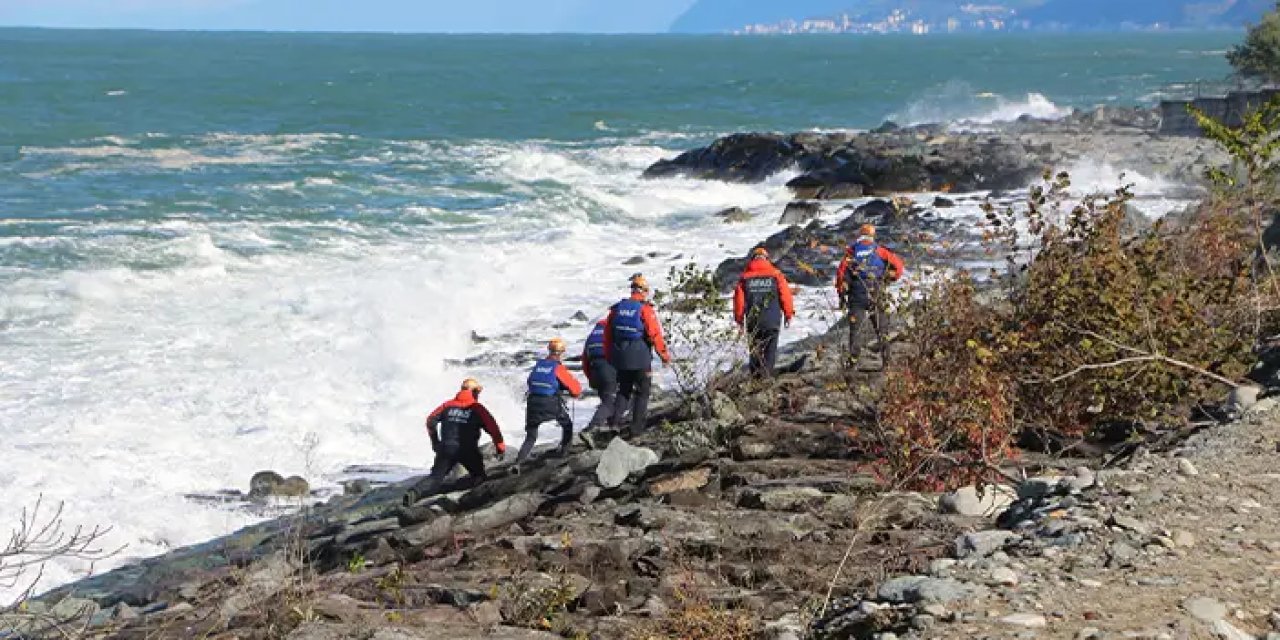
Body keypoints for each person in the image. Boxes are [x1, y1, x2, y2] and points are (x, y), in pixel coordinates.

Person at [411, 378, 505, 500]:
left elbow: (430, 421)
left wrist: (435, 441)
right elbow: (493, 429)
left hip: (446, 448)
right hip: (468, 450)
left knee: (435, 477)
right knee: (479, 476)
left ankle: (414, 493)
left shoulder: (447, 405)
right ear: (474, 392)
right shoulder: (478, 408)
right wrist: (500, 448)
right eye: (478, 392)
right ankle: (475, 501)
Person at [604, 274, 671, 437]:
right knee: (643, 391)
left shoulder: (617, 309)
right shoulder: (645, 309)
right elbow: (655, 334)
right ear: (644, 291)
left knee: (624, 389)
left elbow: (607, 335)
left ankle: (615, 422)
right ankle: (636, 429)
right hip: (640, 356)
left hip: (620, 356)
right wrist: (664, 356)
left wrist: (609, 356)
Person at [835, 224, 905, 366]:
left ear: (859, 236)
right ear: (872, 236)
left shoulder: (851, 252)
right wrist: (889, 278)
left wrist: (841, 295)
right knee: (881, 328)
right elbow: (898, 267)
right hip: (876, 292)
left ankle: (853, 362)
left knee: (856, 331)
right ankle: (887, 362)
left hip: (857, 295)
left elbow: (841, 275)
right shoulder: (880, 250)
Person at [517, 337, 583, 461]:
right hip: (550, 403)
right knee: (567, 424)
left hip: (532, 403)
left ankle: (518, 462)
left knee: (531, 436)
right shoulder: (558, 368)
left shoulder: (538, 365)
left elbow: (531, 382)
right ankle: (564, 452)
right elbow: (576, 390)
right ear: (562, 352)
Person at [733, 246, 795, 378]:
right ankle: (766, 378)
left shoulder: (744, 278)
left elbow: (739, 302)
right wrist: (788, 315)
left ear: (752, 259)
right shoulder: (776, 275)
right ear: (767, 259)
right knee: (770, 350)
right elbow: (786, 296)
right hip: (771, 320)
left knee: (755, 350)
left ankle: (755, 377)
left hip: (753, 321)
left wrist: (739, 320)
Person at [581, 318, 620, 432]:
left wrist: (590, 378)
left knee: (606, 401)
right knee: (609, 403)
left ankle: (609, 429)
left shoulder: (591, 337)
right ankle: (592, 428)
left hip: (594, 372)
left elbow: (585, 360)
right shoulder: (611, 332)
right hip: (608, 370)